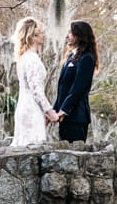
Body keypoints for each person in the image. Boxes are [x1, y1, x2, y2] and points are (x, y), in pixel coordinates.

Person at [11, 17, 57, 145]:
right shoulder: (32, 59)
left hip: (24, 106)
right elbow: (36, 91)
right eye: (41, 32)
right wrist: (50, 112)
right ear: (33, 36)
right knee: (32, 147)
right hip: (31, 109)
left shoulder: (24, 57)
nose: (44, 35)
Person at [53, 20, 98, 142]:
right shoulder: (70, 57)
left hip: (77, 117)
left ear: (80, 36)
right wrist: (54, 111)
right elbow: (63, 88)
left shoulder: (87, 58)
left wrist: (64, 110)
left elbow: (78, 88)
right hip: (65, 117)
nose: (67, 36)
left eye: (70, 33)